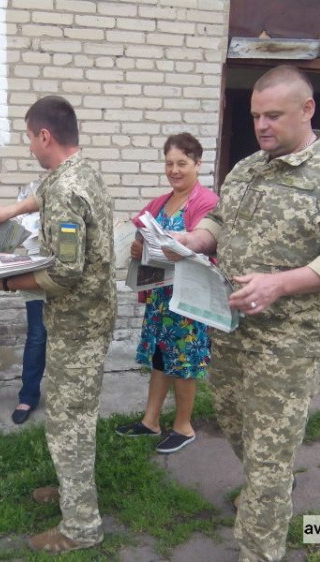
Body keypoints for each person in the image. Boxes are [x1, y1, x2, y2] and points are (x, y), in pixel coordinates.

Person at [164, 65, 320, 561]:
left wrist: (280, 284)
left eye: (273, 116)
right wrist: (195, 238)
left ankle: (260, 542)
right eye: (256, 115)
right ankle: (268, 491)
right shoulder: (248, 167)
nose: (262, 125)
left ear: (308, 110)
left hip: (287, 343)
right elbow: (220, 217)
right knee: (237, 426)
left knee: (269, 452)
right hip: (231, 329)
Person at [0, 95, 116, 554]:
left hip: (79, 324)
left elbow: (66, 272)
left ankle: (81, 527)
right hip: (85, 319)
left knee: (69, 422)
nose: (30, 147)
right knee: (67, 414)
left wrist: (7, 282)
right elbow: (46, 194)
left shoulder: (66, 188)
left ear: (45, 136)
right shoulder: (80, 172)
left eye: (29, 138)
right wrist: (12, 210)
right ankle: (74, 495)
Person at [115, 133, 219, 454]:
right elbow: (142, 234)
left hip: (188, 298)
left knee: (184, 362)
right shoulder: (161, 202)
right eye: (169, 163)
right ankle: (151, 421)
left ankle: (183, 426)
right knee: (160, 358)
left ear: (198, 164)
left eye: (182, 163)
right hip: (161, 296)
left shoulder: (206, 202)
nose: (174, 170)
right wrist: (136, 247)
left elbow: (205, 240)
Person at [11, 179, 47, 425]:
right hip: (37, 279)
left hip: (66, 280)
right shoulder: (28, 199)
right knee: (36, 337)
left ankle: (65, 396)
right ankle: (28, 396)